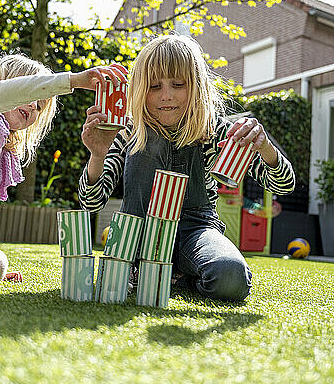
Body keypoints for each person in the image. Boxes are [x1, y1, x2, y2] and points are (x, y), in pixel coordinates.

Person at [79, 35, 295, 302]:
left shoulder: (216, 131)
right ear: (139, 89)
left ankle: (176, 276)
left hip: (195, 231)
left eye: (178, 84)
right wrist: (97, 155)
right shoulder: (127, 130)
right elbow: (91, 202)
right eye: (154, 86)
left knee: (230, 277)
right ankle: (153, 272)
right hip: (137, 235)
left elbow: (284, 185)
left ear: (197, 86)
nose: (166, 96)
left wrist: (265, 148)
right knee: (151, 141)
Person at [0, 53, 127, 283]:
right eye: (32, 94)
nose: (34, 105)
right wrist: (74, 81)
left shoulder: (1, 152)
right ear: (2, 83)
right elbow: (0, 95)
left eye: (40, 105)